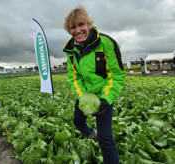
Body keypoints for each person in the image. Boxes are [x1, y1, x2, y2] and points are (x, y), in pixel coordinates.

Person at [63, 5, 126, 163]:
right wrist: (83, 98)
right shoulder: (71, 50)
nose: (77, 30)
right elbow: (74, 77)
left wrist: (105, 100)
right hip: (85, 94)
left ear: (88, 24)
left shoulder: (106, 43)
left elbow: (116, 74)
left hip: (104, 95)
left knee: (106, 138)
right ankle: (92, 135)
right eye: (73, 27)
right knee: (78, 121)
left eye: (81, 24)